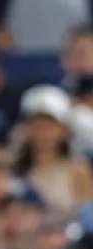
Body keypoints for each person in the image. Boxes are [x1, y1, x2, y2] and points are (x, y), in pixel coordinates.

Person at [13, 85, 93, 214]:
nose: (43, 133)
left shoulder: (78, 170)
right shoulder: (12, 168)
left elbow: (86, 219)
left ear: (64, 130)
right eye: (36, 125)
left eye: (50, 126)